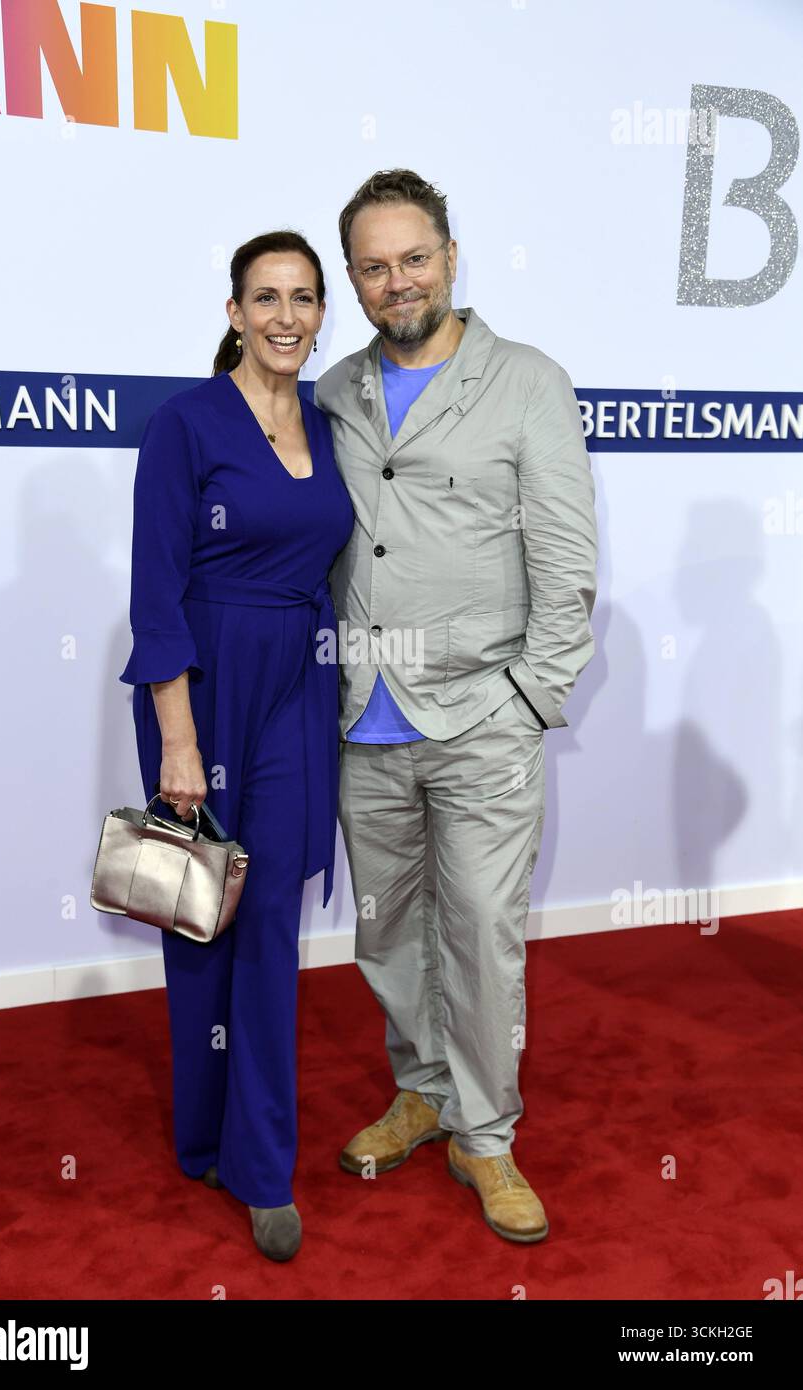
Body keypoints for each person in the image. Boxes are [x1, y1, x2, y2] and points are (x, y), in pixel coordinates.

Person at [314, 169, 598, 1243]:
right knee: (388, 936)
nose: (398, 281)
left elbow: (566, 561)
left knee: (479, 935)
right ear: (353, 278)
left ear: (449, 254)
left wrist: (529, 697)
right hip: (361, 716)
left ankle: (486, 1136)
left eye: (414, 258)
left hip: (483, 717)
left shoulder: (526, 380)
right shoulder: (333, 388)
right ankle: (421, 1088)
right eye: (375, 267)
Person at [118, 231, 354, 1261]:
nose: (286, 317)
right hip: (203, 686)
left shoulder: (326, 421)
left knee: (265, 921)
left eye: (303, 298)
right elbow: (154, 592)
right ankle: (202, 1134)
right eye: (266, 297)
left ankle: (260, 1167)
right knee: (196, 913)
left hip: (297, 687)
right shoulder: (185, 423)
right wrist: (177, 739)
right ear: (232, 312)